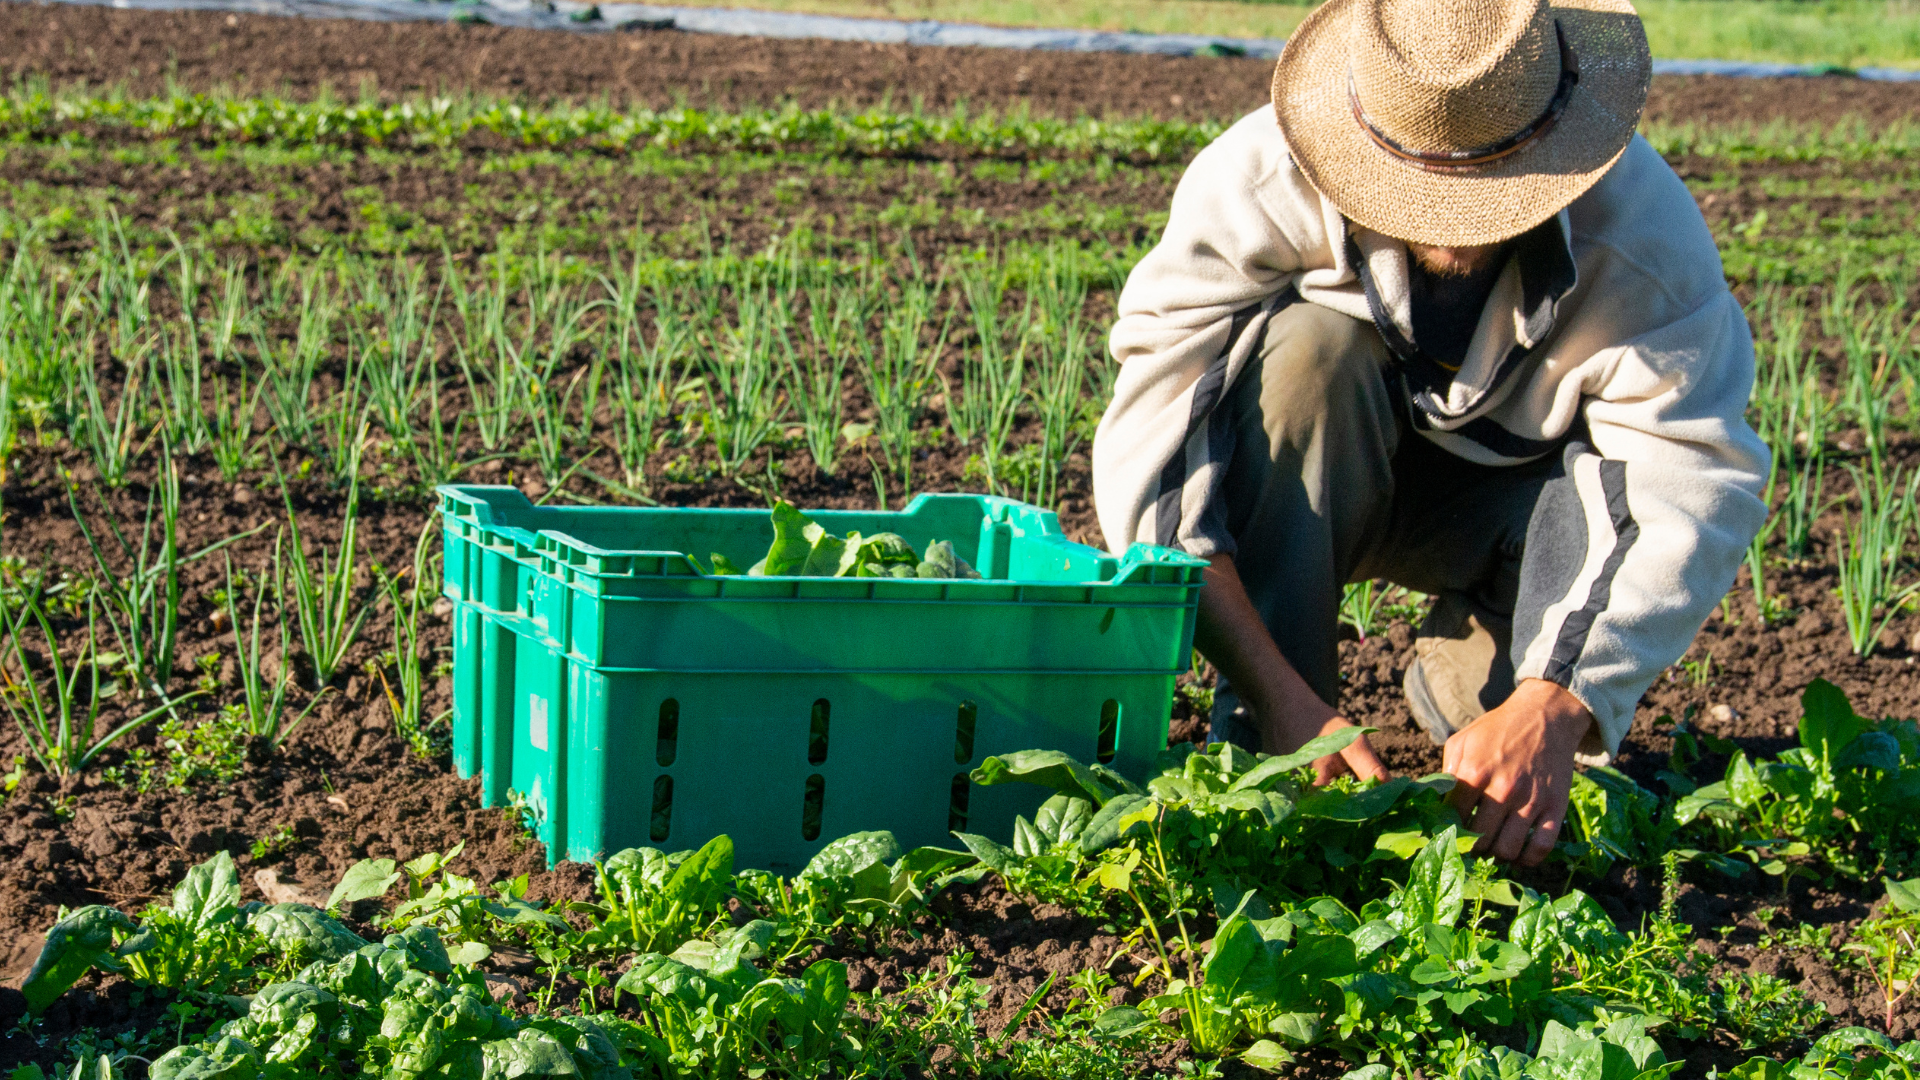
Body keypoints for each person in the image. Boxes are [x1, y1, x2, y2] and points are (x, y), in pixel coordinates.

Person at [1091, 0, 1768, 866]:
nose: (1454, 221)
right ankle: (1276, 733)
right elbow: (1156, 460)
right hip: (1323, 475)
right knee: (1305, 355)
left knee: (1504, 748)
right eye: (1426, 187)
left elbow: (1690, 477)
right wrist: (1281, 697)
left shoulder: (1641, 240)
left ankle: (1468, 680)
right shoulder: (1258, 183)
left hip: (1510, 514)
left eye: (1488, 186)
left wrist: (1557, 701)